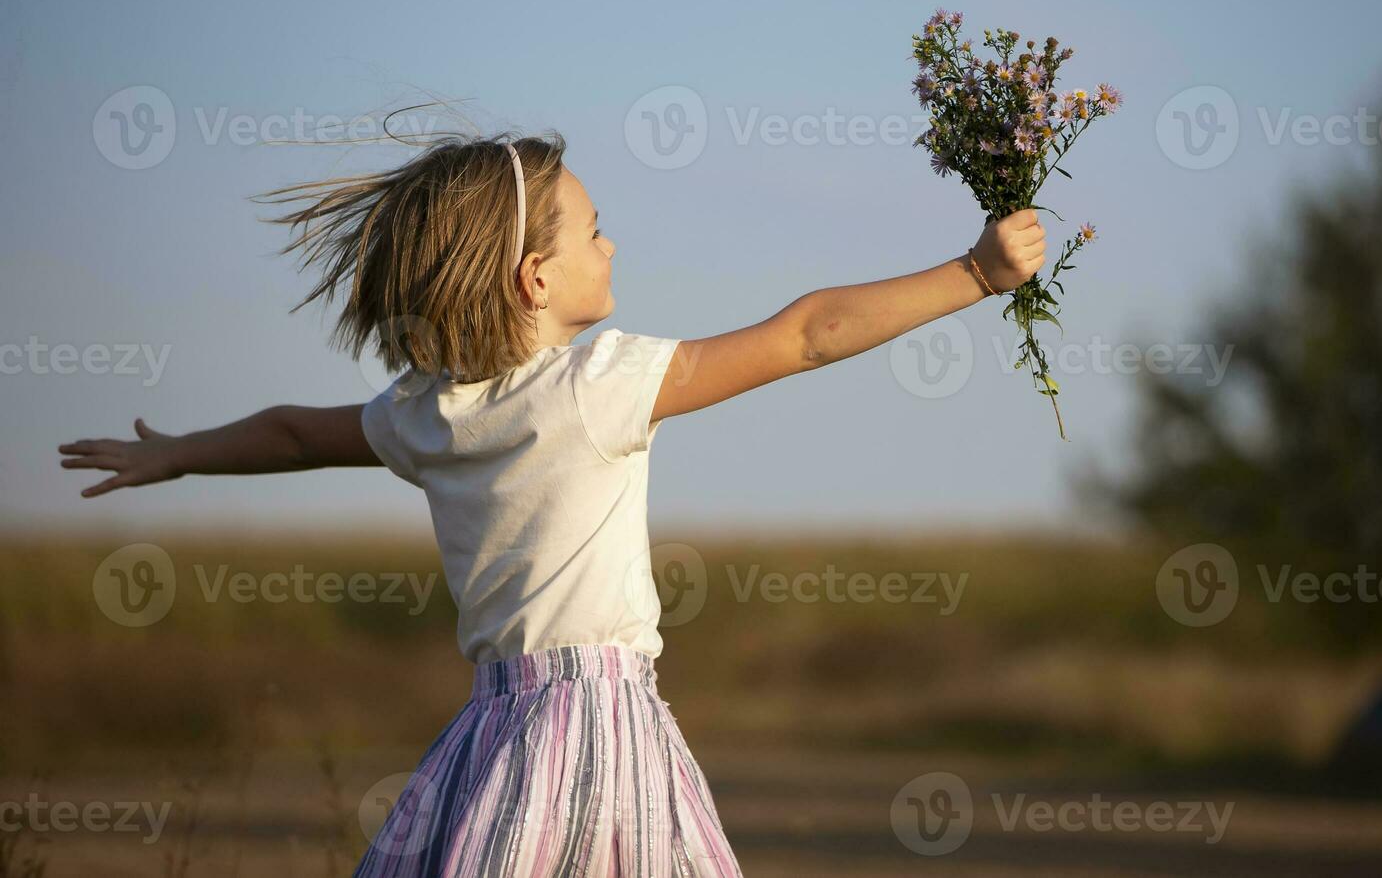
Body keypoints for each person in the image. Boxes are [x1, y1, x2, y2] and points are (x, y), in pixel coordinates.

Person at [57, 129, 1045, 876]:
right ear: (537, 277)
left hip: (489, 734)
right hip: (603, 726)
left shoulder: (427, 412)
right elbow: (807, 335)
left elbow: (293, 433)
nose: (614, 244)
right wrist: (974, 274)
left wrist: (180, 454)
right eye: (595, 228)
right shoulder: (596, 384)